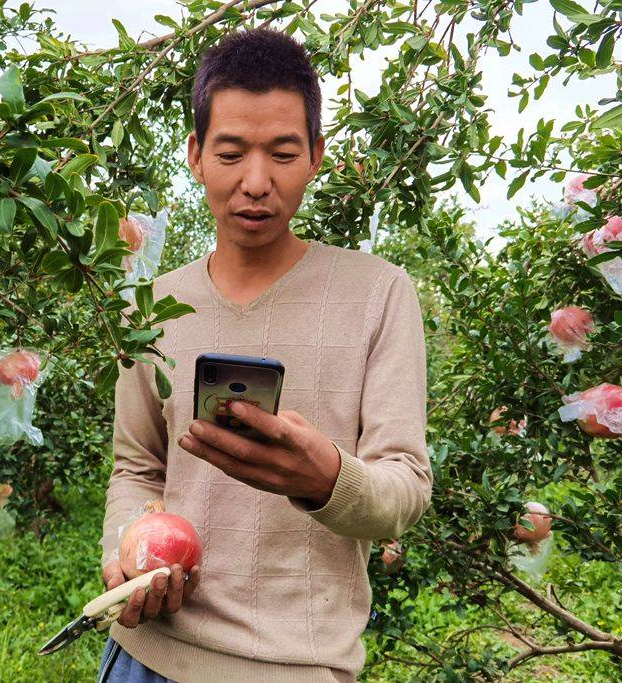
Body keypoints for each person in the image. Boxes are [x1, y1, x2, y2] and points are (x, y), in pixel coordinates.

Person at [97, 27, 431, 683]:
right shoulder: (150, 306)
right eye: (230, 153)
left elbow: (405, 488)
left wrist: (326, 476)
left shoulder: (378, 294)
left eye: (282, 153)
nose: (256, 182)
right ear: (195, 155)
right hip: (146, 656)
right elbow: (137, 468)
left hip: (297, 667)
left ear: (316, 155)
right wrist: (126, 555)